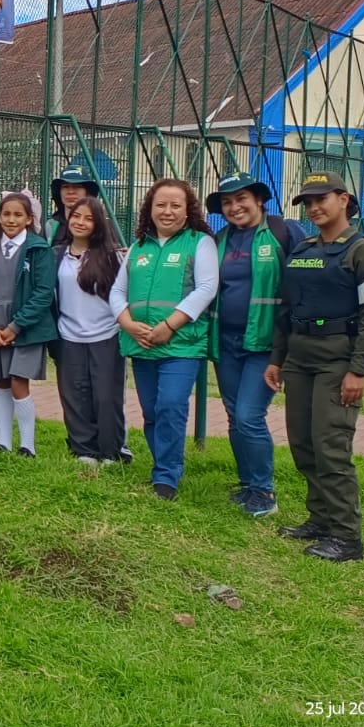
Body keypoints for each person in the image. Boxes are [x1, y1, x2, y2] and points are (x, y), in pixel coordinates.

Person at [266, 172, 364, 562]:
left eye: (322, 198)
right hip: (300, 358)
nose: (315, 207)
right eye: (308, 202)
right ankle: (319, 520)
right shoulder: (302, 250)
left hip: (338, 362)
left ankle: (347, 537)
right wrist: (277, 359)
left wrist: (359, 370)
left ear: (344, 199)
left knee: (331, 448)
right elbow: (288, 309)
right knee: (304, 444)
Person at [110, 179, 219, 501]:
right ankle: (162, 464)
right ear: (150, 209)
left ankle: (166, 477)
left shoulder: (200, 243)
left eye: (175, 205)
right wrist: (127, 323)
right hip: (141, 343)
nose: (167, 211)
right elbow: (117, 291)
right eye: (161, 205)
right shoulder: (138, 247)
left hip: (181, 345)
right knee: (152, 411)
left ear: (188, 212)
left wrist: (170, 326)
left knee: (171, 405)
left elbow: (206, 288)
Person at [208, 171, 307, 519]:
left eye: (242, 199)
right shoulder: (219, 239)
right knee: (235, 416)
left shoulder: (284, 232)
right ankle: (248, 484)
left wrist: (291, 344)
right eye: (227, 202)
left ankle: (265, 491)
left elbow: (306, 281)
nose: (235, 207)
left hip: (267, 343)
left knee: (250, 416)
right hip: (226, 342)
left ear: (259, 200)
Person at [0, 192, 57, 456]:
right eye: (6, 214)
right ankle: (4, 442)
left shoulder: (39, 249)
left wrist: (15, 326)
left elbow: (43, 292)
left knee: (19, 381)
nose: (11, 219)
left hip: (26, 326)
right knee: (1, 381)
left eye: (18, 214)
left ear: (30, 219)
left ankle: (27, 445)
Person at [51, 197, 127, 466]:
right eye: (76, 216)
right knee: (74, 395)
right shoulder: (56, 254)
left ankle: (111, 450)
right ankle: (83, 449)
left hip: (106, 335)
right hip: (68, 336)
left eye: (88, 218)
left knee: (106, 396)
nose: (80, 222)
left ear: (98, 224)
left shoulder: (113, 256)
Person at [45, 163, 123, 242]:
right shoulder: (51, 225)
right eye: (65, 187)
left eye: (77, 187)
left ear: (88, 192)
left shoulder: (104, 226)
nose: (71, 192)